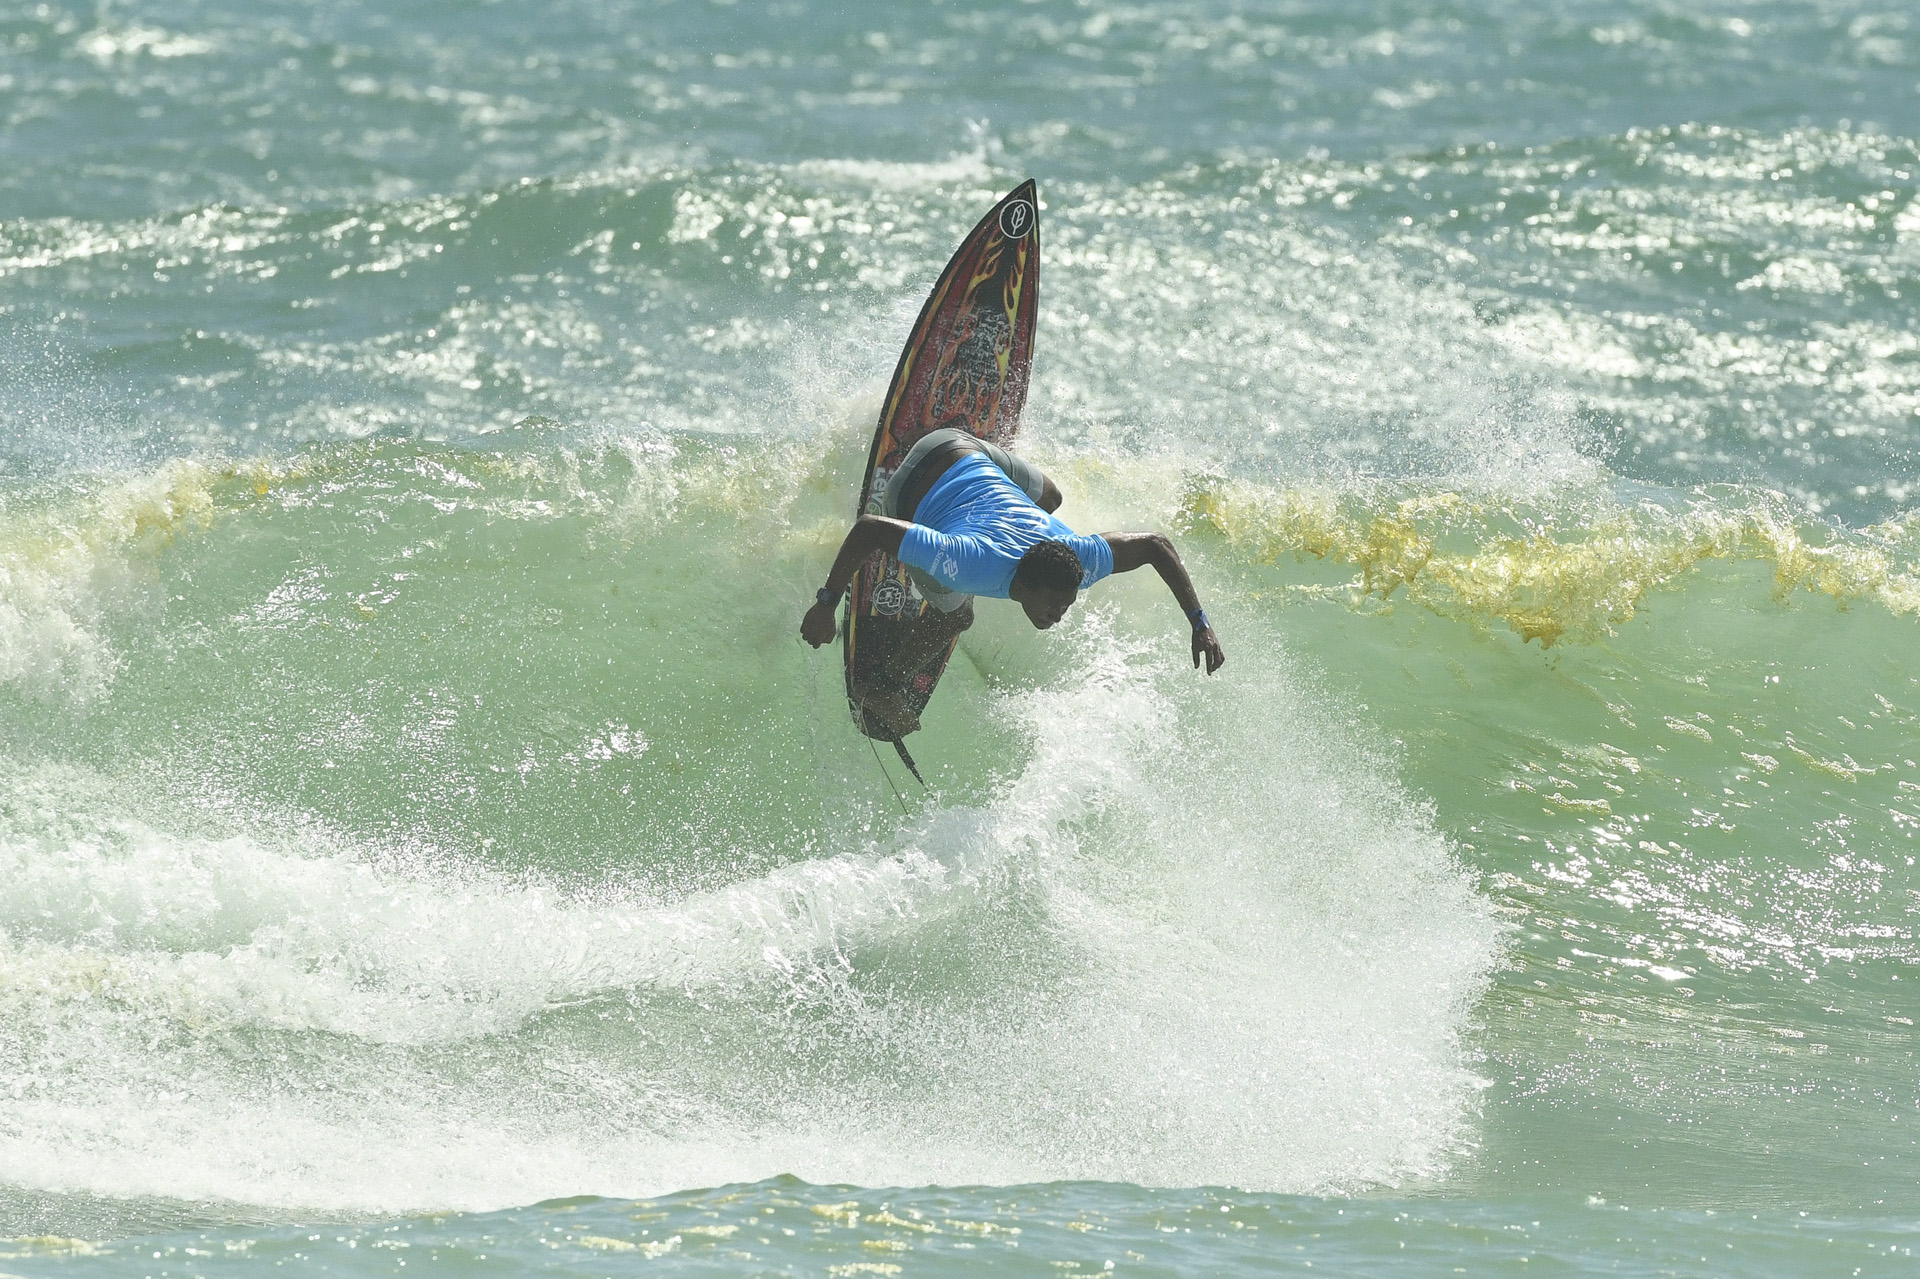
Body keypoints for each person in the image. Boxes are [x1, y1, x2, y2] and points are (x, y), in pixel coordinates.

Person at [800, 428, 1225, 734]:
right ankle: (880, 686)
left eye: (1065, 605)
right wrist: (826, 603)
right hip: (909, 487)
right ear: (1021, 586)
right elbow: (871, 529)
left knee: (1052, 498)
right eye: (1052, 606)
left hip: (962, 443)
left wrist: (1199, 622)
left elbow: (1155, 545)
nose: (1057, 616)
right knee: (956, 617)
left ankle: (994, 475)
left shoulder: (1082, 557)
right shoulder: (969, 562)